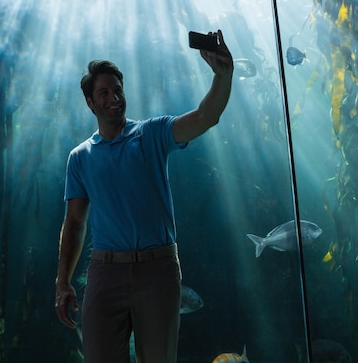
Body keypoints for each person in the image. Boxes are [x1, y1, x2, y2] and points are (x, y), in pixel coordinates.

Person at [55, 30, 233, 363]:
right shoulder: (79, 157)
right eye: (104, 92)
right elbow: (74, 222)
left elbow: (205, 117)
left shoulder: (152, 133)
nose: (114, 97)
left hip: (158, 270)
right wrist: (62, 281)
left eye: (118, 90)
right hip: (104, 272)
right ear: (90, 102)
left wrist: (223, 77)